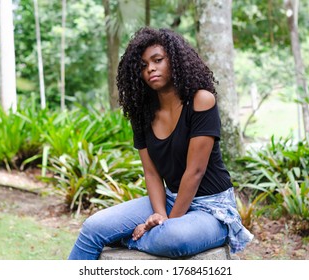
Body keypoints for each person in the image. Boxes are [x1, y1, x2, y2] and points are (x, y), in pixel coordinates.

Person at [68, 27, 253, 260]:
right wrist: (158, 213)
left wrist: (164, 223)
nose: (150, 69)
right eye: (143, 66)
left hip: (211, 208)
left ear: (175, 61)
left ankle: (126, 238)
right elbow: (152, 173)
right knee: (93, 227)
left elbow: (195, 172)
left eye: (157, 60)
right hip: (169, 199)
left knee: (173, 237)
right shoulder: (142, 113)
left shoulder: (201, 101)